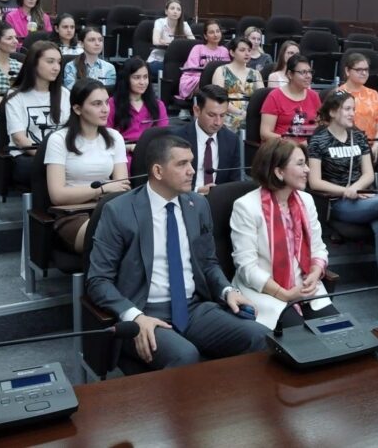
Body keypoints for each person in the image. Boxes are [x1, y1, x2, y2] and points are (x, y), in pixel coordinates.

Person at [86, 134, 268, 372]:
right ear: (158, 171)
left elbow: (208, 262)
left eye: (191, 162)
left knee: (260, 336)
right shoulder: (119, 211)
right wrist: (134, 316)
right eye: (182, 164)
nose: (192, 170)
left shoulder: (198, 204)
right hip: (145, 311)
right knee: (185, 355)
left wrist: (227, 291)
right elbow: (98, 281)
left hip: (193, 308)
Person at [230, 138, 338, 329]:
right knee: (297, 337)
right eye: (300, 164)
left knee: (338, 330)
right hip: (265, 291)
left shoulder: (306, 201)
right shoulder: (246, 207)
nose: (308, 170)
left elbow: (318, 248)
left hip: (304, 287)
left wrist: (315, 272)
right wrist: (285, 294)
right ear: (279, 172)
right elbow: (247, 267)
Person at [45, 80, 130, 253]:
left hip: (107, 209)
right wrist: (102, 189)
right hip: (72, 214)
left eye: (106, 102)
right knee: (106, 236)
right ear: (77, 109)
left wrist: (108, 192)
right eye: (97, 104)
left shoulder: (115, 137)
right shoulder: (58, 139)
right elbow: (57, 195)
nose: (105, 109)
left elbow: (121, 187)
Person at [307, 90, 378, 267]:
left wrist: (355, 189)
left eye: (353, 109)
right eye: (347, 109)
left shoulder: (358, 137)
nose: (352, 113)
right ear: (332, 112)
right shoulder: (318, 140)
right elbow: (314, 181)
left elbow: (368, 173)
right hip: (337, 202)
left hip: (363, 196)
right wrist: (347, 191)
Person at [4, 41, 70, 186]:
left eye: (59, 62)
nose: (56, 67)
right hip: (28, 155)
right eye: (50, 62)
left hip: (62, 154)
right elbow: (19, 139)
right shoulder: (15, 96)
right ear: (33, 64)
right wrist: (52, 158)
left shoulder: (64, 94)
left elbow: (71, 131)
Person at [172, 85, 242, 194]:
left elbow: (235, 182)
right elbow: (169, 181)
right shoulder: (177, 138)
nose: (218, 122)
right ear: (197, 110)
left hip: (219, 199)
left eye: (222, 115)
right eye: (211, 115)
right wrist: (197, 191)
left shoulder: (232, 140)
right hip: (185, 197)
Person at [108, 58, 168, 167]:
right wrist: (129, 148)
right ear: (126, 79)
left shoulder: (158, 105)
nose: (142, 82)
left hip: (151, 152)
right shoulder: (111, 104)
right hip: (122, 152)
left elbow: (163, 136)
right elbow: (106, 138)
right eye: (137, 77)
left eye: (145, 77)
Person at [260, 55, 320, 143]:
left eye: (310, 72)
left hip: (309, 146)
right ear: (290, 74)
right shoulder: (275, 96)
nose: (308, 76)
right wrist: (294, 143)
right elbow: (265, 133)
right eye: (303, 72)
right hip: (283, 146)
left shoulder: (314, 96)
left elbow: (319, 126)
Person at [336, 52, 378, 156]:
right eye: (359, 70)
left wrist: (376, 145)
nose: (364, 73)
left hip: (371, 147)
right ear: (347, 71)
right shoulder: (337, 94)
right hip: (344, 149)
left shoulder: (374, 95)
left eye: (366, 69)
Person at [211, 37, 263, 132]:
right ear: (232, 52)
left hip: (251, 113)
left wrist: (251, 113)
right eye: (242, 50)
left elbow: (262, 98)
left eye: (249, 50)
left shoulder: (255, 73)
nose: (247, 53)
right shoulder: (221, 71)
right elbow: (219, 98)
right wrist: (240, 112)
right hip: (227, 112)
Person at [177, 19, 229, 101]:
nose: (215, 35)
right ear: (205, 36)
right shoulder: (198, 48)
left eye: (218, 31)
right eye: (211, 32)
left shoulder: (224, 51)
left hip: (216, 81)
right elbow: (191, 70)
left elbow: (227, 71)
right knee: (212, 82)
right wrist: (207, 71)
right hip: (194, 80)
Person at [146, 0, 194, 75]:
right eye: (172, 8)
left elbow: (193, 43)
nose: (175, 11)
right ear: (166, 11)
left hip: (176, 61)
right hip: (159, 60)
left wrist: (165, 42)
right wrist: (177, 44)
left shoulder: (184, 25)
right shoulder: (159, 22)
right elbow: (155, 41)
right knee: (172, 70)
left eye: (178, 9)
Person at [63, 27, 117, 91]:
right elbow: (71, 92)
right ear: (81, 44)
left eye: (100, 40)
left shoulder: (109, 67)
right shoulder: (71, 66)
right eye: (92, 40)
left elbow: (109, 92)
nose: (97, 43)